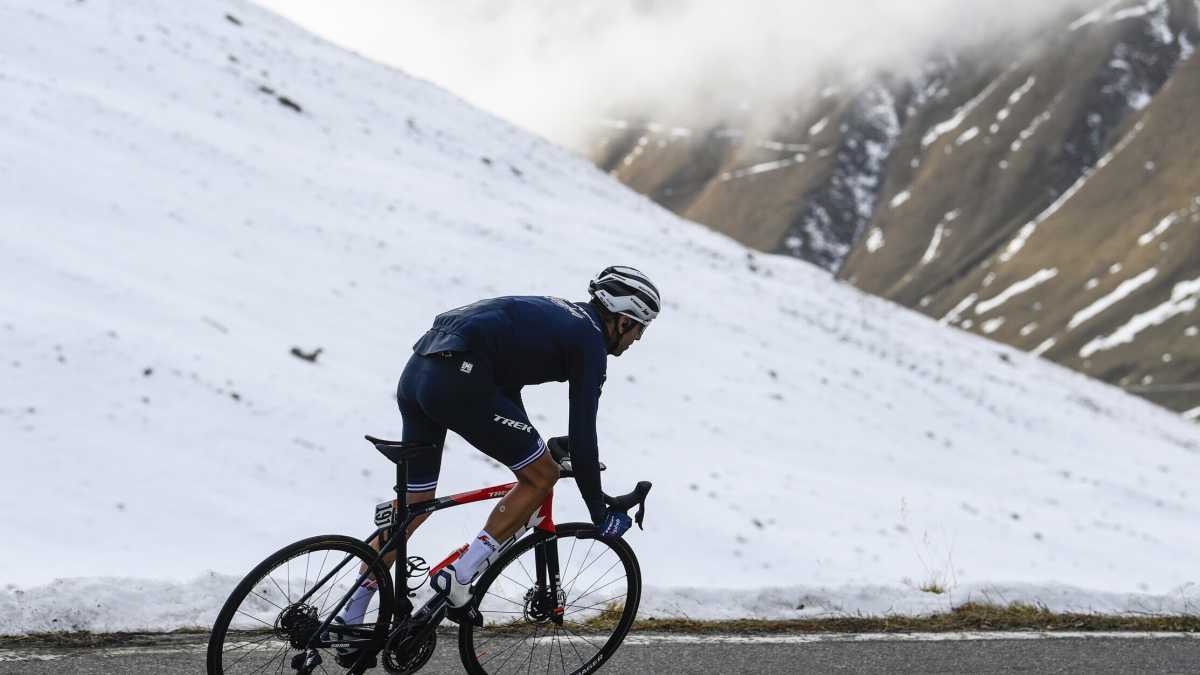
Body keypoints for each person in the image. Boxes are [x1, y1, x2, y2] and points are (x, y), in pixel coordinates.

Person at [338, 266, 660, 627]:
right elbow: (583, 432)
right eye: (640, 329)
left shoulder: (562, 315)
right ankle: (459, 579)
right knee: (541, 477)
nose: (637, 340)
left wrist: (535, 444)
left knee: (415, 506)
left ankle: (349, 616)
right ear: (622, 320)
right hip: (458, 378)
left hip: (419, 371)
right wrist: (599, 514)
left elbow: (507, 384)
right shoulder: (589, 341)